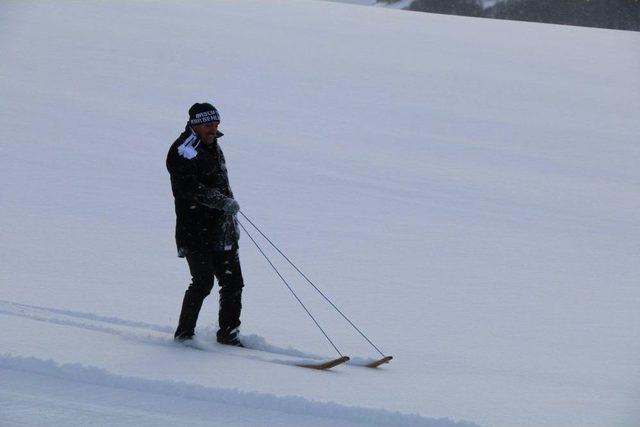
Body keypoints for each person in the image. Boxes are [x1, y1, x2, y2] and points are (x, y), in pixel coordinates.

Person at [166, 102, 244, 347]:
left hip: (222, 228)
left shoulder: (214, 145)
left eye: (216, 124)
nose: (213, 129)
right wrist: (221, 202)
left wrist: (228, 212)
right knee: (202, 282)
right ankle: (184, 335)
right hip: (195, 230)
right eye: (209, 124)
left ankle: (229, 334)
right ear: (195, 124)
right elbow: (189, 189)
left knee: (233, 282)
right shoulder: (183, 150)